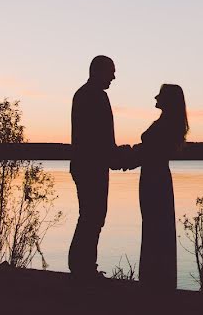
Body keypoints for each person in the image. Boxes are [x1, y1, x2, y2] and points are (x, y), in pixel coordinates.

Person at [132, 83, 189, 290]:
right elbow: (149, 150)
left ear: (168, 100)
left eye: (160, 95)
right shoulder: (167, 122)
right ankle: (156, 277)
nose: (155, 98)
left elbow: (152, 151)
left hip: (155, 177)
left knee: (156, 225)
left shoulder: (167, 124)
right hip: (153, 175)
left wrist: (127, 158)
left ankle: (155, 279)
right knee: (155, 225)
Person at [67, 55, 119, 279]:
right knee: (93, 216)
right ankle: (83, 268)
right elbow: (100, 136)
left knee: (91, 216)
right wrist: (114, 156)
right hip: (92, 166)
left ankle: (83, 266)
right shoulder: (94, 96)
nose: (114, 77)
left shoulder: (83, 94)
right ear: (98, 71)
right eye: (111, 72)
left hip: (87, 164)